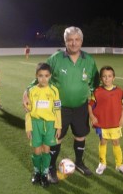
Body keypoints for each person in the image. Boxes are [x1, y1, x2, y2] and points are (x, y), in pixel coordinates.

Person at [23, 26, 100, 184]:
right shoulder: (56, 58)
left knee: (80, 135)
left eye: (77, 40)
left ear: (81, 41)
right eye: (70, 40)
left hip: (80, 106)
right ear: (65, 41)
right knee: (56, 138)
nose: (73, 43)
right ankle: (50, 167)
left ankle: (79, 162)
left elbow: (95, 83)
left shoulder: (89, 60)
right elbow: (41, 77)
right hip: (59, 108)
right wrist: (27, 91)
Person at [88, 66, 123, 177]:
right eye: (104, 77)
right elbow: (90, 105)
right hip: (102, 123)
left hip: (115, 122)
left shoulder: (120, 91)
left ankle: (119, 164)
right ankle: (102, 163)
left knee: (116, 142)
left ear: (114, 78)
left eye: (109, 76)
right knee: (103, 141)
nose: (107, 79)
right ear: (101, 79)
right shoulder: (97, 91)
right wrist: (92, 116)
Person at [25, 63, 61, 188]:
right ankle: (37, 172)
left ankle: (45, 174)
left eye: (46, 76)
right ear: (36, 76)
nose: (43, 79)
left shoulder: (54, 90)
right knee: (37, 151)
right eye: (40, 76)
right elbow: (28, 111)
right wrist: (28, 127)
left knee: (46, 150)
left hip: (50, 125)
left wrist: (59, 126)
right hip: (35, 124)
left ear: (50, 76)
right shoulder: (32, 90)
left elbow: (57, 110)